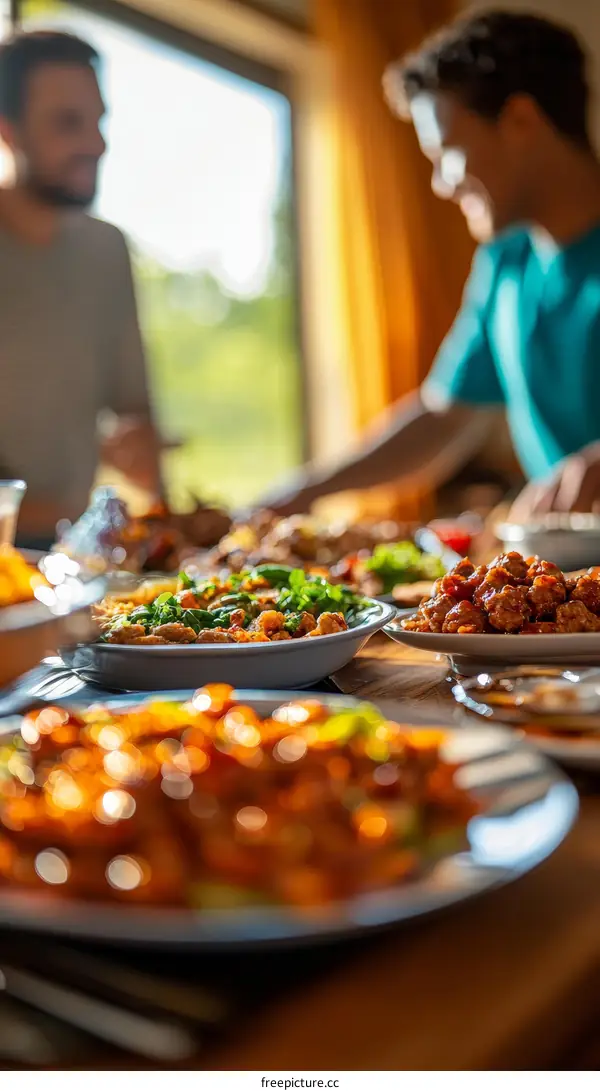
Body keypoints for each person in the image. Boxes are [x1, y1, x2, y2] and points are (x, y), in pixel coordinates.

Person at [261, 10, 600, 520]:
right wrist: (299, 494)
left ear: (521, 121)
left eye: (447, 153)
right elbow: (443, 415)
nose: (441, 184)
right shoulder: (506, 264)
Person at [0, 30, 162, 548]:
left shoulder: (107, 249)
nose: (96, 144)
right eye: (68, 123)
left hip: (75, 555)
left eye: (98, 121)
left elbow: (135, 414)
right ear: (9, 131)